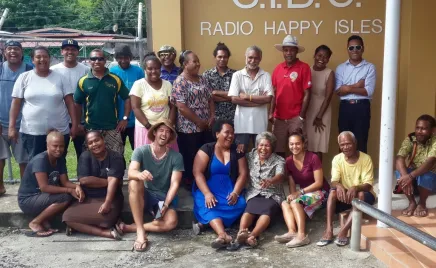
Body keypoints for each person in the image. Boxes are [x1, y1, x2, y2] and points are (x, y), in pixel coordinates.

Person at [121, 119, 184, 252]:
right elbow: (131, 172)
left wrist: (166, 204)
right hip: (145, 194)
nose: (164, 134)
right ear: (154, 132)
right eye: (161, 130)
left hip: (162, 197)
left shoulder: (176, 156)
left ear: (170, 136)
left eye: (168, 132)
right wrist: (140, 175)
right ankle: (140, 232)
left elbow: (175, 183)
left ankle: (132, 227)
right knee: (133, 181)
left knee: (171, 222)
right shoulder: (141, 151)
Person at [9, 46, 78, 160]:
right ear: (32, 60)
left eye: (45, 56)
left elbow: (70, 103)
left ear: (49, 59)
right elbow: (15, 104)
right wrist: (12, 127)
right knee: (35, 165)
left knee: (57, 165)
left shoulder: (60, 78)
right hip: (32, 132)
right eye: (38, 57)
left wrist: (74, 125)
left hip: (58, 131)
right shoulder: (24, 77)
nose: (42, 59)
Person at [17, 130, 84, 237]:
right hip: (28, 199)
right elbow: (44, 187)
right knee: (65, 197)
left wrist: (77, 187)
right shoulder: (41, 160)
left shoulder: (60, 159)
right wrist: (69, 190)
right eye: (55, 146)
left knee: (75, 194)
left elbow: (65, 182)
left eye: (61, 146)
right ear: (47, 145)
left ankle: (45, 220)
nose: (58, 149)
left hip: (42, 197)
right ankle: (35, 222)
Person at [192, 120, 247, 249]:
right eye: (226, 132)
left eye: (232, 133)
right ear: (217, 134)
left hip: (229, 189)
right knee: (209, 204)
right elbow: (197, 172)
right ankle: (223, 235)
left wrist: (235, 192)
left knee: (241, 203)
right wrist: (207, 193)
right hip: (208, 187)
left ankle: (205, 224)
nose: (230, 136)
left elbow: (243, 174)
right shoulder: (207, 149)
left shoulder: (237, 151)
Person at [317, 131, 376, 247]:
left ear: (355, 143)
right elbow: (334, 181)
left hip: (364, 196)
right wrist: (339, 186)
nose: (345, 147)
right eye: (342, 145)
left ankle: (343, 231)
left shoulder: (366, 159)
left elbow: (368, 185)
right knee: (332, 193)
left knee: (360, 195)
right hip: (346, 196)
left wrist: (356, 187)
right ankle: (329, 229)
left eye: (348, 144)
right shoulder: (337, 159)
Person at [62, 131, 125, 239]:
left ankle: (81, 226)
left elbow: (113, 182)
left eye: (97, 140)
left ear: (103, 140)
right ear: (87, 146)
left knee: (106, 219)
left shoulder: (116, 157)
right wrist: (108, 181)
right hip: (88, 198)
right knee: (67, 217)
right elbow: (84, 180)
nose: (94, 144)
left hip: (110, 197)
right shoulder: (85, 156)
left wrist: (107, 202)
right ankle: (105, 233)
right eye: (90, 143)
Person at [274, 130, 330, 247]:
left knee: (296, 202)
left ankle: (302, 236)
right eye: (291, 144)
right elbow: (291, 181)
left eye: (298, 143)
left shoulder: (313, 158)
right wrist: (292, 194)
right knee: (285, 203)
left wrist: (299, 193)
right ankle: (292, 232)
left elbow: (319, 183)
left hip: (321, 193)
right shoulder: (288, 161)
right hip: (305, 194)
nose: (294, 146)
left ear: (304, 144)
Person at [73, 49, 131, 155]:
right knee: (92, 160)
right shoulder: (83, 81)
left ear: (105, 61)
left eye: (100, 59)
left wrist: (125, 119)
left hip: (112, 128)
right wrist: (77, 124)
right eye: (93, 59)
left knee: (116, 158)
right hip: (91, 128)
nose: (97, 61)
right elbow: (77, 103)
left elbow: (127, 98)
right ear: (89, 61)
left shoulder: (115, 79)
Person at [171, 50, 215, 188]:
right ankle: (191, 183)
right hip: (188, 129)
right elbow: (181, 107)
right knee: (191, 156)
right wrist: (198, 122)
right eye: (194, 61)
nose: (198, 64)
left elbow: (210, 99)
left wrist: (212, 116)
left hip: (206, 126)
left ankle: (204, 181)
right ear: (185, 64)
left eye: (198, 61)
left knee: (206, 154)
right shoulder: (180, 82)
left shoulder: (203, 79)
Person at [235, 132, 285, 248]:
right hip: (254, 193)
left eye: (267, 145)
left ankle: (252, 236)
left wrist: (270, 181)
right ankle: (241, 233)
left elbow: (280, 175)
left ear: (272, 147)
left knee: (266, 212)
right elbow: (238, 155)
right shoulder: (251, 155)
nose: (263, 148)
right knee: (249, 211)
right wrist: (238, 146)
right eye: (261, 145)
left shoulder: (279, 160)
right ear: (257, 146)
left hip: (271, 194)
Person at [270, 35, 311, 158]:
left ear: (296, 51)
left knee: (298, 149)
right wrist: (270, 113)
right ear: (283, 51)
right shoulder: (278, 69)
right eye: (286, 50)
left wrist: (301, 117)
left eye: (292, 50)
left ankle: (300, 177)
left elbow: (307, 93)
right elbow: (273, 92)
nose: (289, 53)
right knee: (278, 151)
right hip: (279, 118)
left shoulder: (304, 68)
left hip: (295, 117)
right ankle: (281, 176)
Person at [0, 40, 32, 196]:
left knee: (24, 160)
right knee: (0, 158)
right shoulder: (0, 69)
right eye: (9, 49)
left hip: (23, 124)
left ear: (22, 52)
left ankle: (24, 189)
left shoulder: (29, 70)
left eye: (16, 49)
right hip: (0, 123)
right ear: (4, 52)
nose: (13, 52)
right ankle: (0, 188)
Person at [228, 46, 273, 153]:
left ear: (260, 58)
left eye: (256, 58)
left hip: (260, 125)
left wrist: (248, 97)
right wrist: (259, 101)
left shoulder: (265, 75)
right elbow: (234, 99)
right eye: (250, 57)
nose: (253, 61)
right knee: (241, 154)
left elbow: (268, 98)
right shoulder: (237, 75)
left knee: (261, 154)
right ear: (245, 57)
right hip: (242, 125)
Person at [335, 35, 376, 153]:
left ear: (362, 49)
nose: (355, 50)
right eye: (351, 48)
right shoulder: (341, 68)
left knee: (361, 141)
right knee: (344, 141)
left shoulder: (369, 67)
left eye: (358, 47)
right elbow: (338, 91)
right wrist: (357, 85)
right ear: (347, 49)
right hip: (345, 107)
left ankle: (361, 171)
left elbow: (368, 91)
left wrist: (347, 88)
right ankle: (344, 171)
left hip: (362, 107)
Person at [51, 39, 90, 161]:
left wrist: (78, 123)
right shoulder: (54, 70)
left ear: (78, 52)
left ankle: (84, 180)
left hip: (81, 121)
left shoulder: (86, 70)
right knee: (58, 155)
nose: (70, 52)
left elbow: (89, 96)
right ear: (62, 51)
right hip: (60, 121)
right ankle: (58, 180)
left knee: (84, 156)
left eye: (73, 49)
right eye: (67, 49)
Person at [130, 53, 177, 150]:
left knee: (166, 157)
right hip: (145, 128)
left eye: (156, 68)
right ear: (145, 70)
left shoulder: (167, 84)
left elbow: (172, 106)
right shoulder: (138, 85)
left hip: (164, 129)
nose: (153, 71)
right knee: (147, 158)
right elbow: (135, 107)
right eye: (150, 69)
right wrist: (150, 127)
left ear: (160, 69)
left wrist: (169, 125)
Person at [395, 114, 436, 217]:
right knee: (399, 172)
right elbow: (399, 158)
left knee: (426, 175)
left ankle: (422, 203)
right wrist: (405, 176)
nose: (419, 131)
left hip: (431, 182)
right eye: (417, 128)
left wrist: (410, 176)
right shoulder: (411, 138)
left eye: (423, 129)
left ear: (432, 130)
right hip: (413, 182)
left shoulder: (435, 141)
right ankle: (412, 202)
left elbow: (430, 163)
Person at [110, 45, 145, 152]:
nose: (123, 60)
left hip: (136, 119)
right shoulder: (112, 72)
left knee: (139, 149)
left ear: (130, 57)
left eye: (126, 57)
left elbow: (143, 93)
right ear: (116, 59)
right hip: (118, 120)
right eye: (120, 58)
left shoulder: (138, 71)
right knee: (118, 151)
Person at [305, 45, 335, 161]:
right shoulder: (307, 70)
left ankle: (317, 176)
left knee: (318, 146)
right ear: (314, 55)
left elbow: (328, 97)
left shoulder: (329, 73)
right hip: (308, 111)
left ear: (328, 59)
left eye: (326, 57)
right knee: (307, 145)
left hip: (322, 113)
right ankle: (306, 176)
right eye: (319, 55)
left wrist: (319, 116)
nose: (322, 59)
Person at [203, 42, 237, 122]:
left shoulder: (235, 75)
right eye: (219, 57)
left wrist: (216, 92)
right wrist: (229, 98)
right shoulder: (207, 74)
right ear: (215, 57)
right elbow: (208, 97)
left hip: (232, 116)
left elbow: (237, 96)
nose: (222, 59)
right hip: (214, 117)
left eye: (225, 57)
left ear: (228, 58)